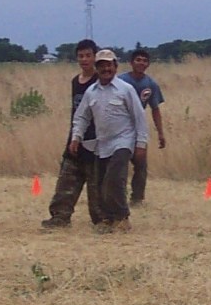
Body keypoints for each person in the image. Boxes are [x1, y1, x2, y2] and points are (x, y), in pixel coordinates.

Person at [69, 49, 149, 232]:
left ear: (115, 66)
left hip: (124, 141)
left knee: (114, 179)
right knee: (101, 184)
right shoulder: (91, 92)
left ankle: (122, 218)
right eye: (102, 65)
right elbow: (81, 117)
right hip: (102, 144)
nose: (106, 69)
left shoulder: (125, 89)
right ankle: (108, 219)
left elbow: (139, 118)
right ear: (97, 69)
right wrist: (76, 137)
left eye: (109, 65)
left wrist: (141, 145)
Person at [42, 38, 101, 229]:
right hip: (75, 140)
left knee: (97, 189)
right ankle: (60, 217)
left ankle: (102, 220)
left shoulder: (101, 82)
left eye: (88, 55)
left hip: (96, 142)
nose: (84, 59)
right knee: (66, 184)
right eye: (81, 56)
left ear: (95, 57)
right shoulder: (76, 81)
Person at [117, 48, 167, 204]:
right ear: (131, 62)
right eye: (138, 60)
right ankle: (118, 197)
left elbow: (155, 109)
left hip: (139, 128)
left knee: (141, 164)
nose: (141, 63)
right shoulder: (120, 81)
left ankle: (137, 197)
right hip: (119, 126)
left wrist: (160, 133)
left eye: (145, 61)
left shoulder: (150, 84)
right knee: (119, 164)